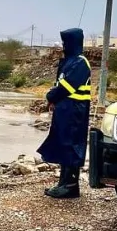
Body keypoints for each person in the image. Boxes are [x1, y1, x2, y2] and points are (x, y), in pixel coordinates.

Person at [37, 28, 92, 199]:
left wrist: (51, 96)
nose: (63, 45)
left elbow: (67, 86)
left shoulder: (81, 62)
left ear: (73, 42)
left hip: (75, 111)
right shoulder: (69, 61)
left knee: (71, 145)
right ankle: (63, 183)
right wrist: (54, 101)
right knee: (62, 143)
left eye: (65, 42)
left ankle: (70, 186)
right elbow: (59, 83)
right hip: (65, 110)